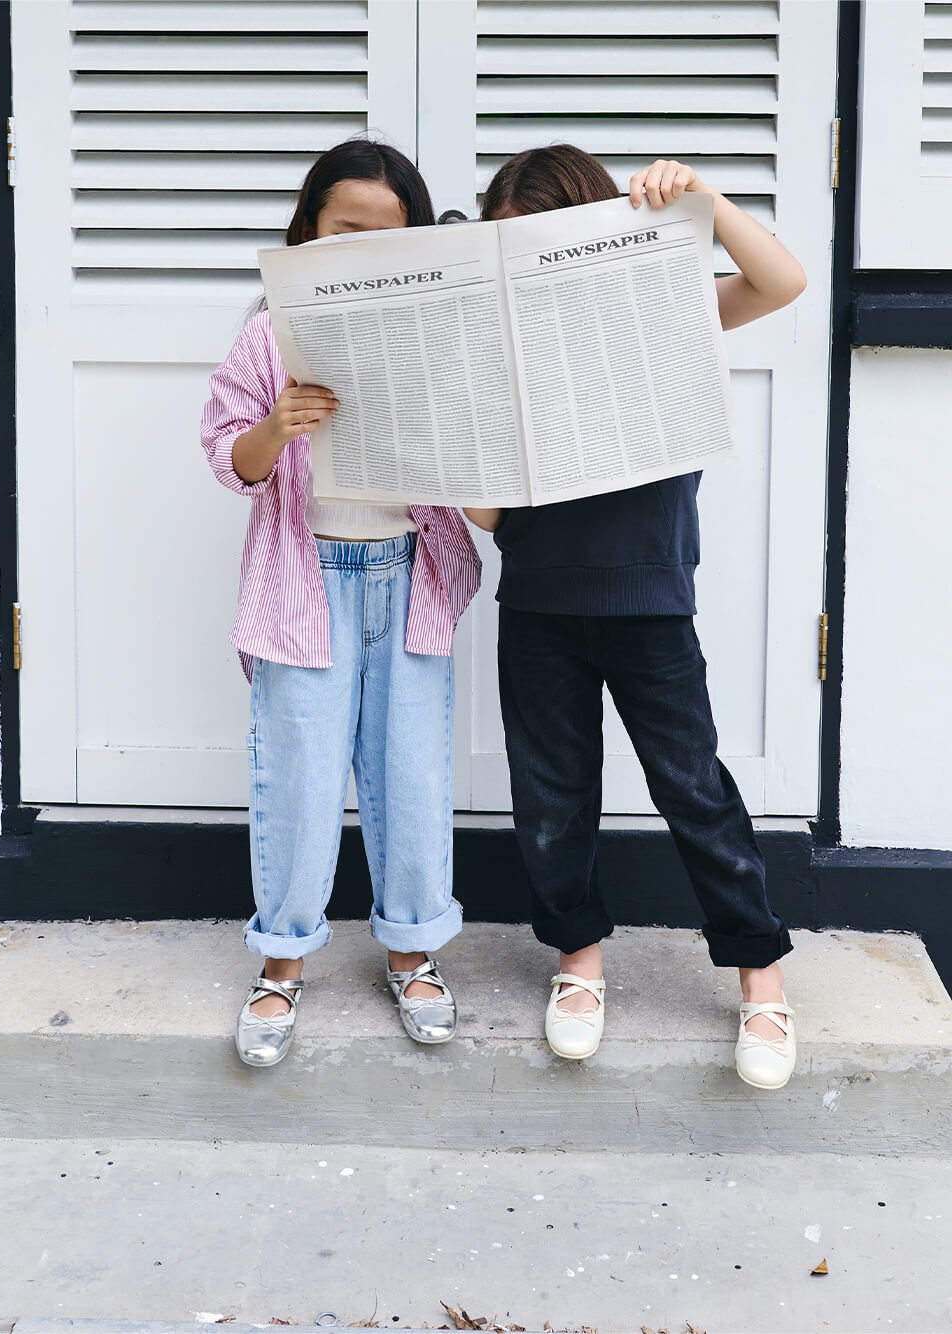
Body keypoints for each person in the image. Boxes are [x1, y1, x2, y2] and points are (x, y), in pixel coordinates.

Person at [464, 146, 806, 1089]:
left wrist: (703, 197)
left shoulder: (666, 319)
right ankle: (578, 962)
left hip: (650, 599)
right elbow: (492, 520)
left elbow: (781, 281)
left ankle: (760, 973)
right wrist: (452, 452)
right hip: (536, 600)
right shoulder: (497, 353)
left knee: (693, 787)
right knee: (551, 797)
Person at [201, 139, 481, 1068]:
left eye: (384, 233)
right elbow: (227, 458)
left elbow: (474, 467)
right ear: (309, 228)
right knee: (301, 775)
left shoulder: (437, 333)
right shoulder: (267, 333)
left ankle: (412, 950)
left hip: (407, 576)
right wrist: (276, 425)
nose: (360, 243)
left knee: (412, 773)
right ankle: (281, 962)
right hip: (305, 579)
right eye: (342, 227)